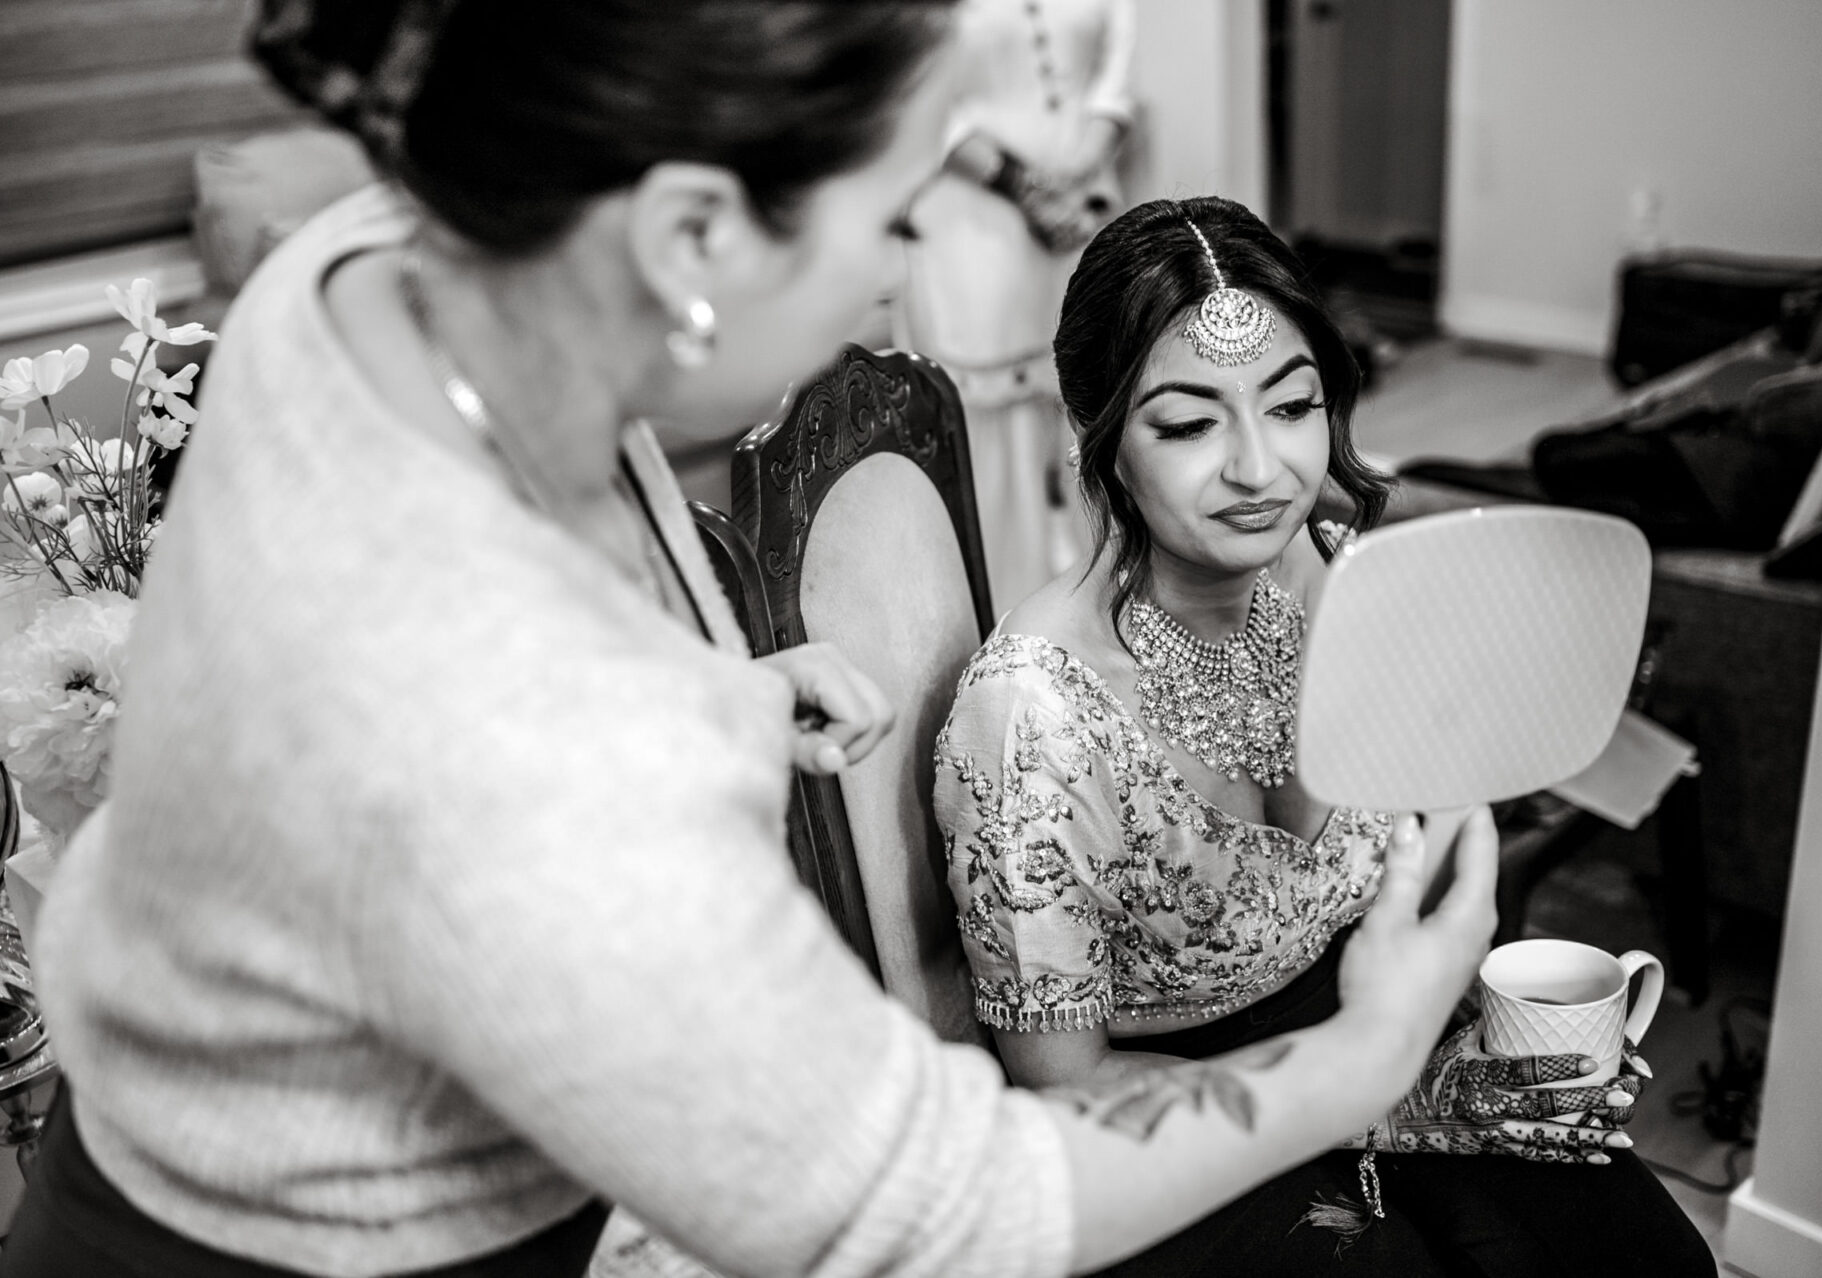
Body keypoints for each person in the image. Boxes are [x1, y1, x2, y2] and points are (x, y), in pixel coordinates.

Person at [11, 7, 1566, 1277]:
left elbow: (408, 727)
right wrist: (1367, 1061)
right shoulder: (518, 732)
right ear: (691, 233)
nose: (897, 272)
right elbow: (939, 1203)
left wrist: (716, 694)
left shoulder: (376, 267)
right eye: (890, 216)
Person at [934, 195, 1720, 1276]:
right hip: (1173, 1130)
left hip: (1392, 1047)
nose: (1264, 471)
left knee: (1650, 1263)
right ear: (1104, 439)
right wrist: (1375, 1094)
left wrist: (1482, 1052)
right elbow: (1060, 1087)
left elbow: (1429, 839)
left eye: (1292, 405)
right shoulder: (1033, 717)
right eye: (1190, 423)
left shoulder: (1340, 566)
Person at [895, 0, 1134, 611]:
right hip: (969, 219)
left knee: (1099, 407)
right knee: (989, 438)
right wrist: (1024, 189)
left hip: (1085, 209)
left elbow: (1116, 71)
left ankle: (1107, 607)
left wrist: (1078, 181)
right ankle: (1004, 623)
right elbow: (918, 89)